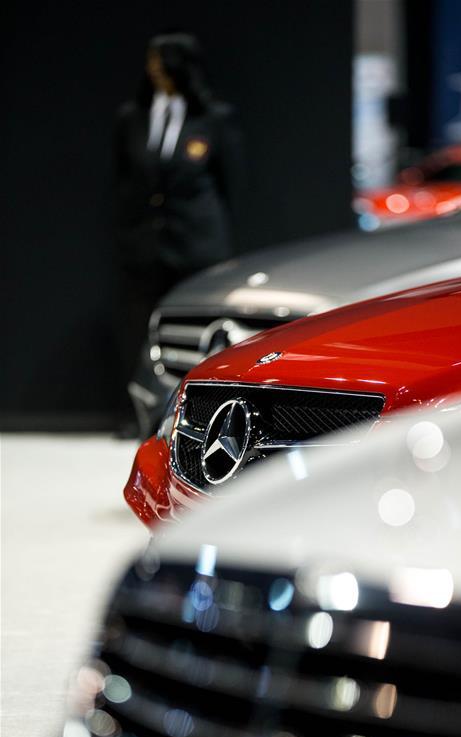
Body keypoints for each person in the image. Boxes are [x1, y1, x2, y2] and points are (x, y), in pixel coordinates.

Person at [114, 32, 244, 436]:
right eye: (150, 62)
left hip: (197, 245)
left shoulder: (214, 118)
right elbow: (124, 177)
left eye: (161, 61)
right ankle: (140, 415)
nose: (154, 70)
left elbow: (229, 183)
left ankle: (196, 417)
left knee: (196, 329)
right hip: (146, 244)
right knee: (141, 330)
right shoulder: (132, 118)